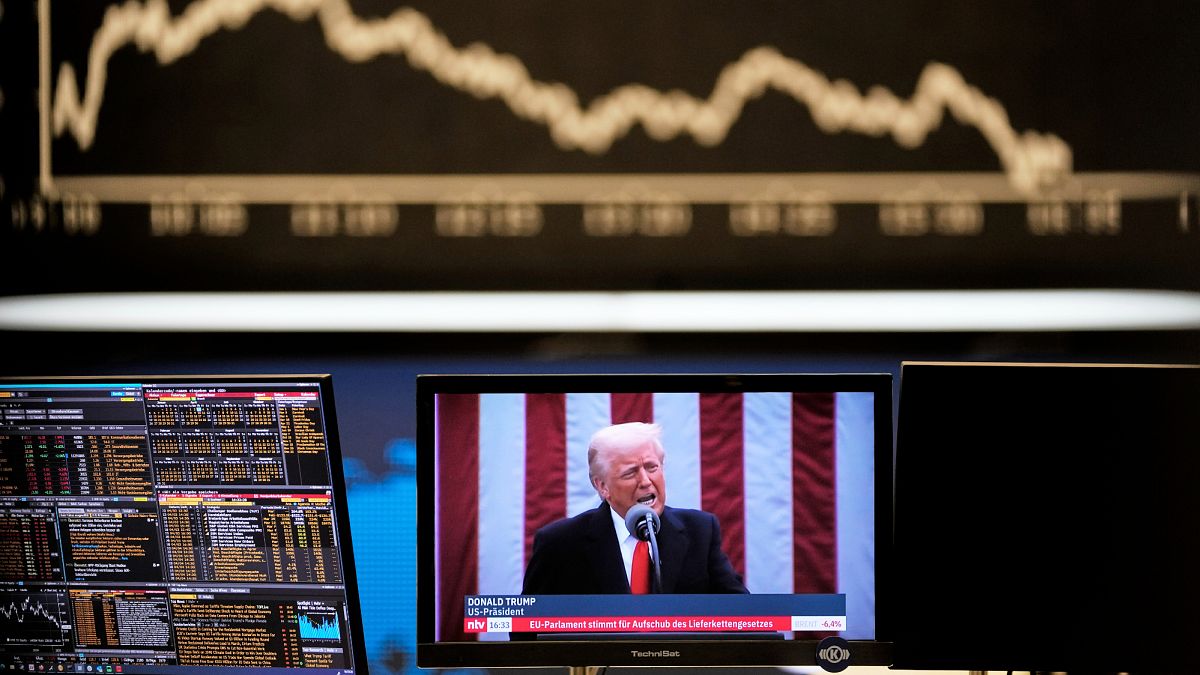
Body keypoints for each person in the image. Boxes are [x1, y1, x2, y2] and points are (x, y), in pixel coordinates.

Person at [521, 422, 747, 595]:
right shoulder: (560, 543)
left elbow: (743, 616)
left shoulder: (700, 531)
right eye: (630, 473)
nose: (646, 481)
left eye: (652, 467)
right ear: (602, 486)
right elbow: (527, 628)